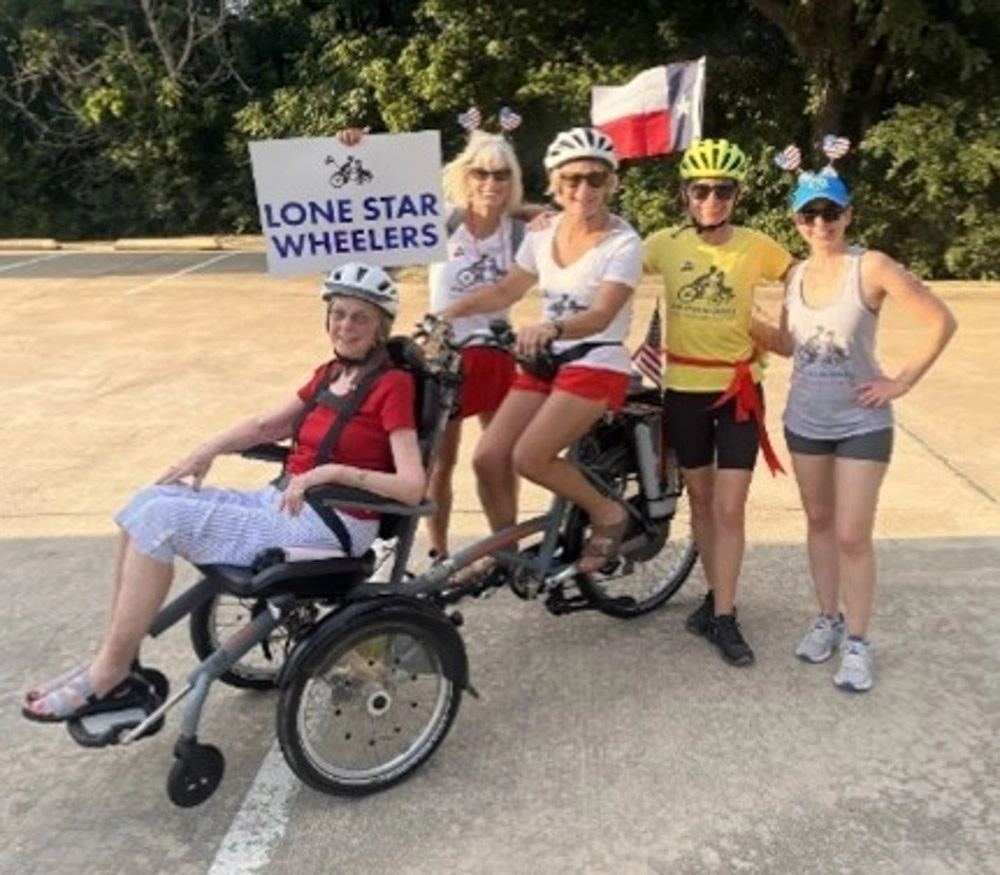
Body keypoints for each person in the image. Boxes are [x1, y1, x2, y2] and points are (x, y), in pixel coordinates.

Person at [22, 262, 426, 723]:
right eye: (338, 313)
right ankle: (114, 661)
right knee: (145, 501)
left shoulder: (393, 385)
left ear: (380, 327)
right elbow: (266, 425)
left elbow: (412, 487)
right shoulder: (330, 373)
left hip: (332, 523)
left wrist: (333, 471)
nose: (345, 326)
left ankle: (108, 675)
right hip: (288, 505)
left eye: (360, 317)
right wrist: (205, 451)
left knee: (160, 521)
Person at [761, 165, 956, 691]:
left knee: (852, 533)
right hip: (805, 419)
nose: (820, 223)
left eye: (830, 212)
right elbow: (786, 344)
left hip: (861, 421)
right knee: (819, 520)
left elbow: (941, 321)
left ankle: (859, 641)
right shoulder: (796, 275)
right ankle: (828, 617)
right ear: (796, 222)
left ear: (848, 214)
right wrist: (736, 320)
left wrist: (902, 382)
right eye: (809, 214)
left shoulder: (870, 267)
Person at [441, 126, 642, 576]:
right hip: (546, 361)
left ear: (611, 183)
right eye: (572, 180)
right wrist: (449, 312)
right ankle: (507, 553)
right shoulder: (542, 232)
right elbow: (508, 288)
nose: (583, 189)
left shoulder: (623, 242)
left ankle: (609, 513)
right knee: (488, 458)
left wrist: (551, 326)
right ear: (555, 183)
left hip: (595, 362)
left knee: (529, 457)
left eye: (595, 179)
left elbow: (603, 314)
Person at [338, 126, 532, 564]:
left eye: (501, 175)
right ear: (465, 175)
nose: (491, 183)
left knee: (497, 457)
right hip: (446, 355)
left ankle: (507, 549)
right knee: (440, 462)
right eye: (480, 172)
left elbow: (568, 212)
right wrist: (354, 151)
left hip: (497, 354)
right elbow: (375, 212)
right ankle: (438, 549)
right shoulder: (441, 221)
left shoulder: (520, 231)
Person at [643, 139, 794, 666]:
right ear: (685, 193)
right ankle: (714, 595)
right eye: (702, 189)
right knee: (702, 503)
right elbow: (609, 262)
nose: (712, 199)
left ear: (737, 195)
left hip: (737, 392)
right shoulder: (664, 243)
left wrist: (781, 328)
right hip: (683, 391)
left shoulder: (757, 245)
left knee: (731, 506)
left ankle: (725, 616)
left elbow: (801, 274)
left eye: (723, 190)